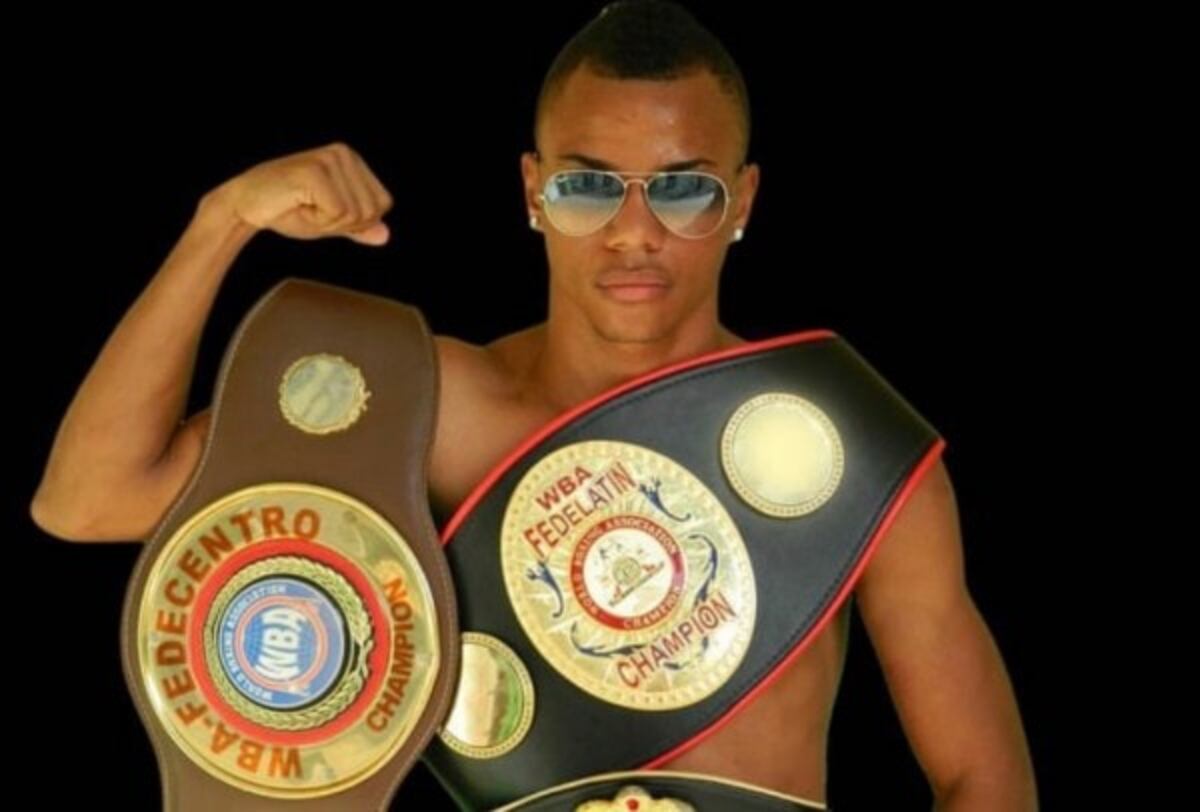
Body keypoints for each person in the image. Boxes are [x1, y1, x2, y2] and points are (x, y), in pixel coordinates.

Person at [30, 1, 1036, 808]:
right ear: (532, 191)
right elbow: (87, 500)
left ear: (743, 202)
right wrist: (222, 222)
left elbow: (983, 780)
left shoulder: (851, 446)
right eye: (589, 187)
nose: (633, 232)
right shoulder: (427, 407)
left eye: (683, 191)